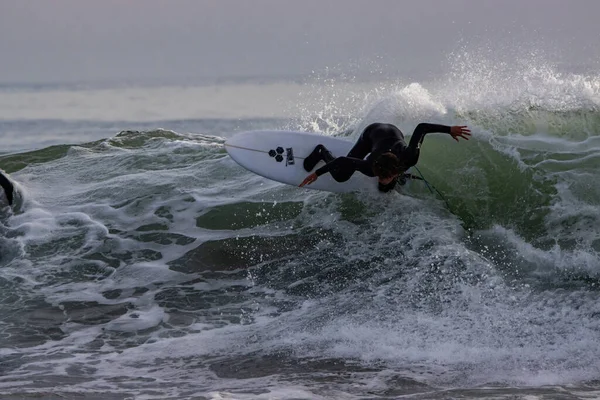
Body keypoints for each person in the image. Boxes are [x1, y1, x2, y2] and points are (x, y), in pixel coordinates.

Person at [299, 122, 471, 192]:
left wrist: (449, 130)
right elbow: (342, 161)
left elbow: (421, 128)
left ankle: (399, 178)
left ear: (395, 171)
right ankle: (321, 151)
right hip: (371, 135)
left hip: (394, 131)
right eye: (380, 177)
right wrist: (317, 174)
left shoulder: (410, 157)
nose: (380, 179)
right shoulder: (369, 167)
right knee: (341, 176)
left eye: (384, 177)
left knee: (386, 190)